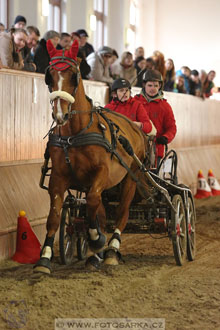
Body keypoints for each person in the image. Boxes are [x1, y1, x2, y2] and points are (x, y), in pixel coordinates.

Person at [134, 69, 177, 166]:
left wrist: (166, 137)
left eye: (156, 86)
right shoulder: (135, 101)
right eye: (150, 85)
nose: (152, 88)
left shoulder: (165, 106)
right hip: (136, 148)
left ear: (160, 86)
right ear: (144, 85)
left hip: (156, 150)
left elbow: (172, 128)